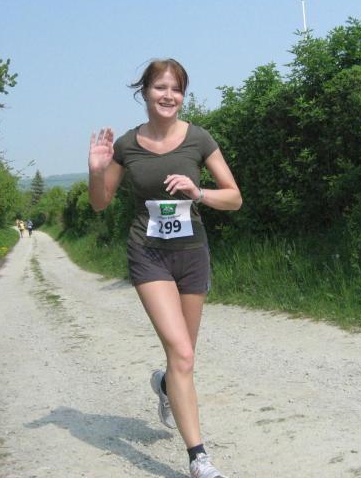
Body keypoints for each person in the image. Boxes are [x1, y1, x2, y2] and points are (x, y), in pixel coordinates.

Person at [88, 59, 241, 478]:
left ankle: (164, 385)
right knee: (183, 354)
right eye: (160, 87)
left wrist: (198, 192)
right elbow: (100, 202)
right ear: (145, 92)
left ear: (183, 95)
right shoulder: (127, 145)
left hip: (191, 254)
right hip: (148, 254)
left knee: (182, 358)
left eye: (176, 88)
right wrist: (96, 171)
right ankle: (199, 458)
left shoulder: (199, 139)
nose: (168, 95)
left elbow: (234, 197)